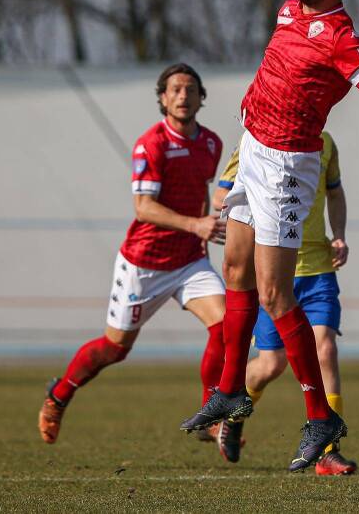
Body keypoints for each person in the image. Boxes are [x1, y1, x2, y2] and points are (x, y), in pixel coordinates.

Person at [179, 0, 359, 472]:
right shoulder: (288, 10)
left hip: (286, 167)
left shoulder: (343, 38)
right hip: (252, 150)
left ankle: (321, 417)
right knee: (235, 269)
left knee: (276, 294)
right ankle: (230, 391)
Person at [38, 64, 228, 453]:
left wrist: (215, 222)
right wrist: (195, 224)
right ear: (162, 98)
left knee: (225, 327)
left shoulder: (212, 143)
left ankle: (211, 416)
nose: (183, 96)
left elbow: (206, 195)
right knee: (115, 349)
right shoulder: (151, 144)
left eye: (190, 89)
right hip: (145, 263)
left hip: (191, 262)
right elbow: (143, 208)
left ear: (201, 97)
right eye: (175, 89)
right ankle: (58, 395)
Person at [211, 131, 357, 474]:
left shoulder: (326, 143)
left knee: (326, 350)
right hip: (273, 273)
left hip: (318, 269)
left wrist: (339, 236)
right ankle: (232, 410)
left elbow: (334, 193)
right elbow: (222, 193)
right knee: (271, 365)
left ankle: (329, 452)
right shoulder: (256, 139)